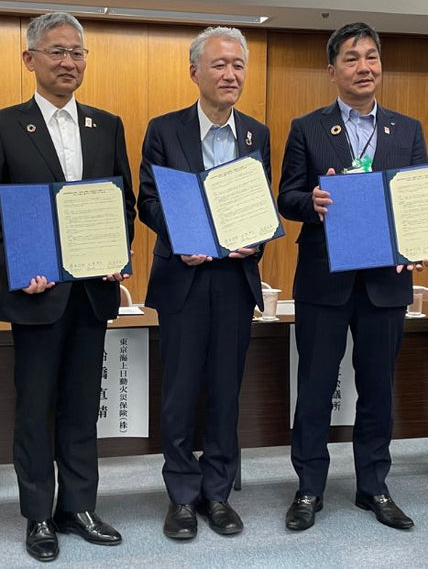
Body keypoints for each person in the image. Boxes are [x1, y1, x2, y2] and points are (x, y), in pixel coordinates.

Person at [0, 11, 136, 563]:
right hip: (37, 294)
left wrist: (119, 254)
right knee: (34, 407)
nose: (69, 62)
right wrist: (18, 267)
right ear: (31, 59)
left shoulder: (107, 125)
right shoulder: (1, 125)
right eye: (57, 52)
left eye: (78, 53)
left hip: (92, 293)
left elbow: (124, 205)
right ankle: (39, 515)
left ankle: (79, 507)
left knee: (80, 406)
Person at [276, 22, 428, 532]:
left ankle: (374, 486)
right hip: (325, 279)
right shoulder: (308, 127)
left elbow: (415, 201)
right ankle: (309, 488)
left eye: (371, 57)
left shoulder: (407, 130)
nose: (364, 67)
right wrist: (310, 201)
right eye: (351, 59)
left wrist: (418, 246)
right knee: (315, 385)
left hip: (386, 282)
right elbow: (287, 195)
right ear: (332, 70)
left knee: (378, 387)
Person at [137, 26, 272, 540]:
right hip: (184, 278)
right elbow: (149, 199)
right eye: (219, 64)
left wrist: (257, 241)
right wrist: (181, 236)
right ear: (195, 71)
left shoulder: (256, 133)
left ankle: (218, 492)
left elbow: (262, 204)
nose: (230, 74)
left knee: (224, 392)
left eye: (238, 64)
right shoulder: (165, 129)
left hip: (235, 279)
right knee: (179, 392)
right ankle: (181, 497)